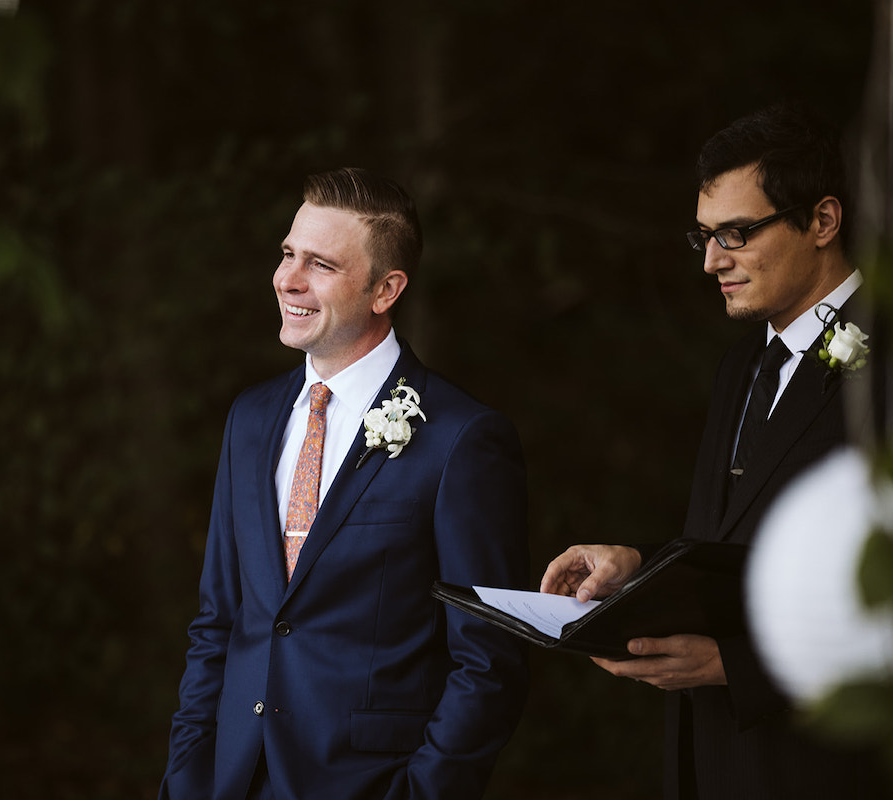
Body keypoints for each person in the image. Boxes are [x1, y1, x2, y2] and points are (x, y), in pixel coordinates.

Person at [540, 103, 886, 798]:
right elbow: (735, 542)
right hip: (710, 760)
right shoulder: (742, 367)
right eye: (702, 236)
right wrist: (638, 565)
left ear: (822, 221)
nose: (710, 261)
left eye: (735, 233)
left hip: (830, 768)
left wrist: (737, 666)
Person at [159, 168, 529, 799]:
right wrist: (187, 775)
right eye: (287, 254)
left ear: (386, 289)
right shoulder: (250, 418)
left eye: (320, 265)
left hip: (366, 782)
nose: (288, 280)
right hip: (228, 779)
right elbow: (220, 620)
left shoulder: (461, 438)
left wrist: (423, 791)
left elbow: (490, 656)